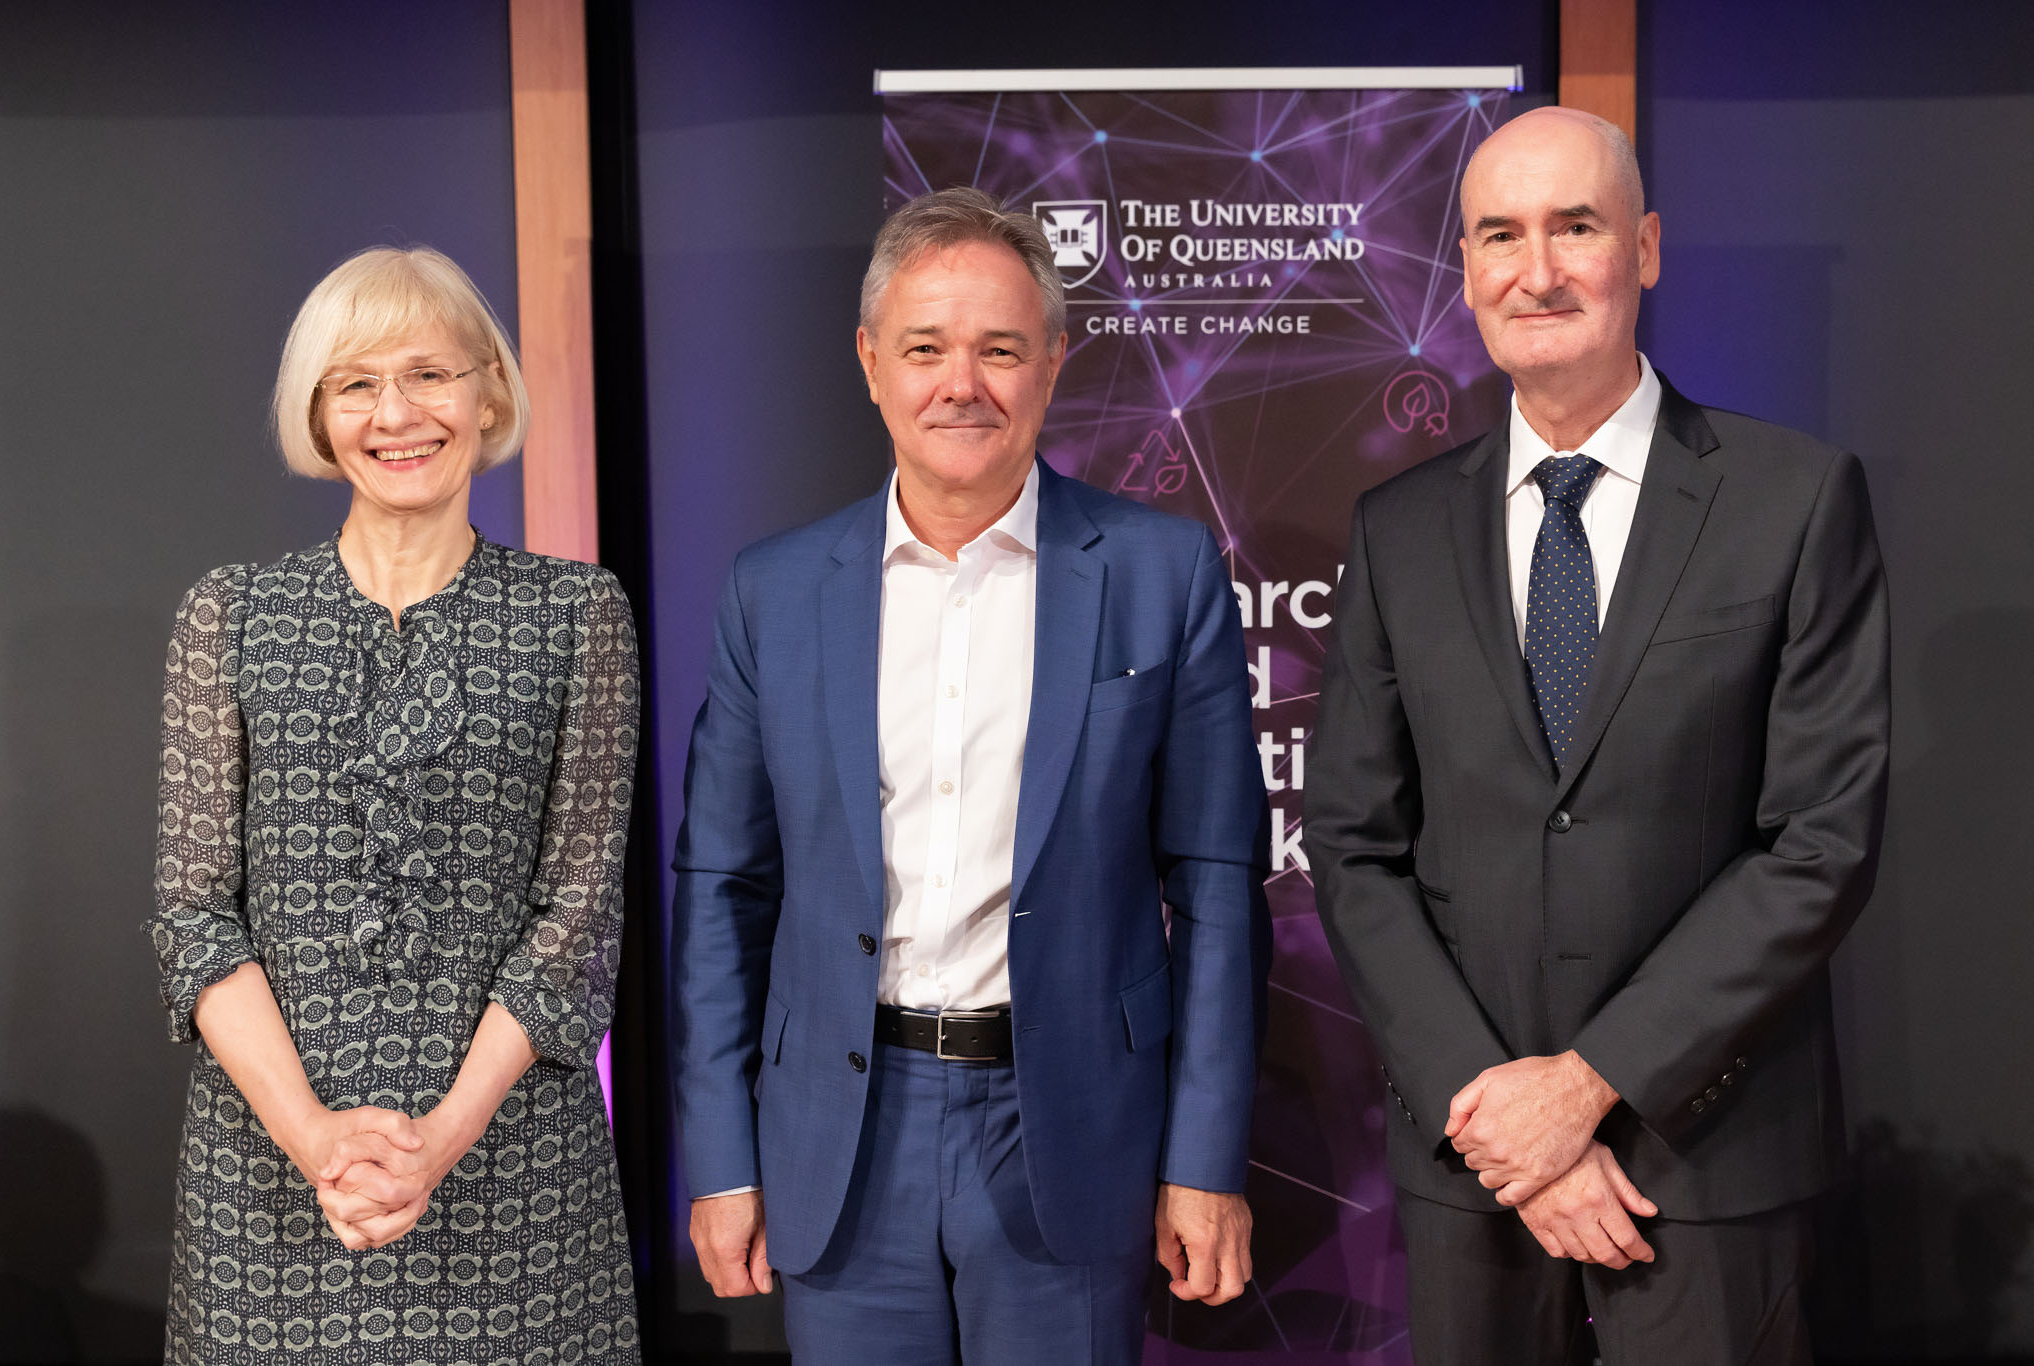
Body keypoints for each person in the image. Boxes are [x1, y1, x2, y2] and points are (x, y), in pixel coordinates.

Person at [1305, 107, 1890, 1364]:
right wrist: (1498, 1113)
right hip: (1476, 1174)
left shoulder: (1791, 500)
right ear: (1461, 269)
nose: (1537, 269)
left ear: (1647, 247)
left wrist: (1589, 1085)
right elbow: (1354, 846)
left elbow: (1819, 840)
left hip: (1706, 1157)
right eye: (1498, 235)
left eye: (1575, 226)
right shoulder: (1395, 529)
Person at [669, 187, 1270, 1364]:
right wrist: (722, 1156)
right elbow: (719, 892)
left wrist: (1203, 1159)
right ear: (869, 363)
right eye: (925, 348)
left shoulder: (1161, 571)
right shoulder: (772, 591)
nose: (962, 383)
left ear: (1052, 360)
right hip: (843, 1133)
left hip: (1072, 1125)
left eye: (999, 349)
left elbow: (1214, 885)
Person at [147, 246, 641, 1362]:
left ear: (489, 394)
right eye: (356, 382)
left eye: (429, 373)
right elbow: (191, 917)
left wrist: (435, 1142)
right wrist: (319, 1141)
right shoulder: (230, 615)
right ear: (319, 417)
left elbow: (577, 920)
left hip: (512, 1173)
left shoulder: (576, 616)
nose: (397, 412)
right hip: (270, 1177)